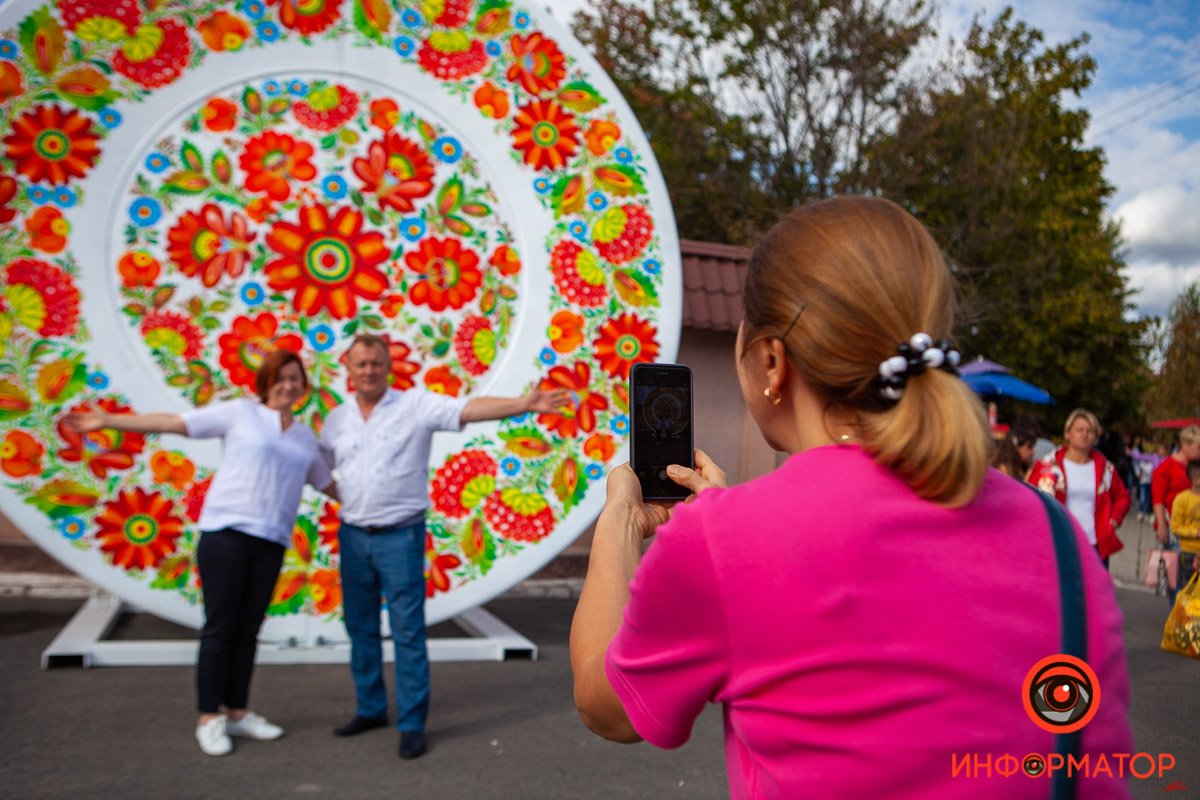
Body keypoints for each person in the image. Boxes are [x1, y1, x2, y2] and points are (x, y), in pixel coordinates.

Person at [569, 197, 1133, 798]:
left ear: (771, 360)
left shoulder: (722, 541)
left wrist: (623, 518)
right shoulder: (1056, 531)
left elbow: (607, 706)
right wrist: (738, 532)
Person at [65, 349, 337, 757]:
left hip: (271, 542)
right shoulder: (240, 414)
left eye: (294, 378)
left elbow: (329, 485)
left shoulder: (305, 439)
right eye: (280, 377)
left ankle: (238, 711)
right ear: (265, 382)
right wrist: (110, 421)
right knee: (220, 627)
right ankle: (209, 716)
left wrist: (386, 503)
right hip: (226, 535)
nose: (287, 385)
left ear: (304, 385)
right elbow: (173, 423)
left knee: (248, 630)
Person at [320, 334, 568, 759]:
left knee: (407, 630)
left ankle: (412, 723)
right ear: (349, 369)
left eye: (376, 363)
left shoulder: (415, 405)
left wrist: (524, 404)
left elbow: (467, 409)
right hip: (354, 535)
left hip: (400, 536)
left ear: (388, 367)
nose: (368, 370)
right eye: (361, 364)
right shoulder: (336, 419)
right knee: (360, 628)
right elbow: (323, 466)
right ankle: (370, 708)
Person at [1028, 409, 1130, 568]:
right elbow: (1030, 497)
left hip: (1094, 545)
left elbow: (1123, 497)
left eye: (1090, 431)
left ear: (1096, 436)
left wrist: (1113, 520)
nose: (1084, 434)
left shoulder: (1106, 468)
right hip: (1057, 544)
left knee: (1095, 585)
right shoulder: (1048, 465)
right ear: (1068, 433)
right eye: (1079, 429)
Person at [1152, 426, 1200, 604]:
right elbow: (1158, 499)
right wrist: (1161, 526)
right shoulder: (1167, 467)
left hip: (1194, 530)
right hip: (1174, 529)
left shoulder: (1196, 468)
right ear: (1185, 445)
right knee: (1175, 576)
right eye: (1198, 446)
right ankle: (1177, 610)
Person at [1169, 460, 1200, 593]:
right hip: (1188, 552)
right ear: (1196, 480)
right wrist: (1195, 532)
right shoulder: (1182, 499)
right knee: (1188, 591)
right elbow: (1175, 527)